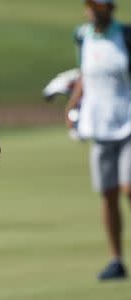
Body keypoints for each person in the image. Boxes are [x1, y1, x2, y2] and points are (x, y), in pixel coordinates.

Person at [66, 0, 131, 281]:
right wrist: (73, 102)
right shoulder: (82, 36)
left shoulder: (125, 35)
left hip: (129, 123)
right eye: (88, 5)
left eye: (97, 5)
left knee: (129, 188)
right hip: (100, 127)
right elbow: (84, 74)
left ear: (109, 8)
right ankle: (117, 260)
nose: (91, 10)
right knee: (109, 194)